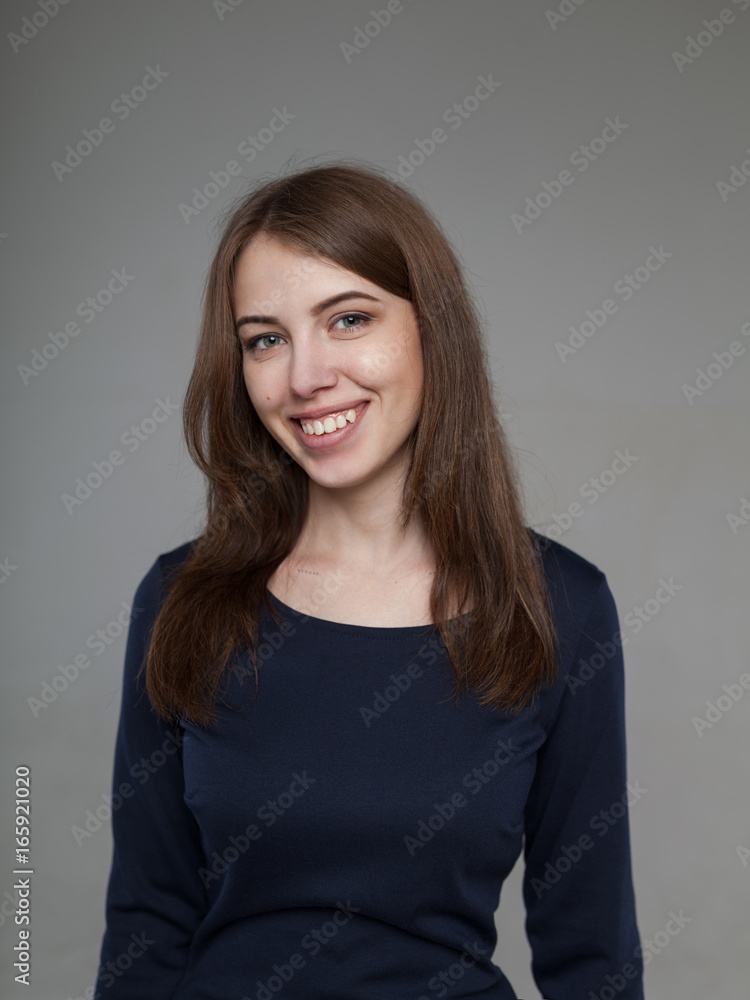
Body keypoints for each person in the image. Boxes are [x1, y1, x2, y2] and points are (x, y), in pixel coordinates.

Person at [93, 160, 644, 999]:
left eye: (348, 319)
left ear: (434, 330)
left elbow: (592, 953)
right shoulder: (181, 602)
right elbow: (148, 920)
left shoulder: (558, 608)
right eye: (265, 339)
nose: (305, 377)